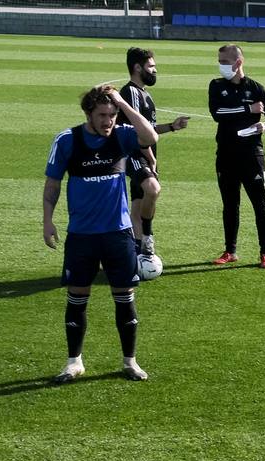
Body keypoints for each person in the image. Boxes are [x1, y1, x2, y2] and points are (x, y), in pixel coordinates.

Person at [43, 84, 158, 383]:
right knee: (77, 297)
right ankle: (74, 362)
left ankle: (130, 362)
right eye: (102, 115)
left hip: (118, 234)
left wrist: (122, 102)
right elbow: (53, 184)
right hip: (82, 235)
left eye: (112, 114)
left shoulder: (121, 136)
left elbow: (150, 137)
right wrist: (48, 221)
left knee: (125, 299)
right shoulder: (67, 140)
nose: (108, 120)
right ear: (88, 114)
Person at [208, 43, 265, 269]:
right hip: (226, 155)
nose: (220, 66)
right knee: (230, 205)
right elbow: (217, 113)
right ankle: (230, 251)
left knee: (261, 205)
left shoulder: (257, 89)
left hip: (252, 156)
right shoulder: (216, 86)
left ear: (238, 62)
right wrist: (247, 110)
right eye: (219, 62)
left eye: (224, 62)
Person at [119, 47, 190, 259]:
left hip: (145, 154)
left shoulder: (145, 95)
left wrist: (172, 127)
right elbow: (137, 132)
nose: (155, 71)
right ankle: (148, 236)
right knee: (153, 189)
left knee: (138, 206)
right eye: (151, 66)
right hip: (134, 154)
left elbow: (149, 129)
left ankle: (137, 251)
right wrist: (150, 158)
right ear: (137, 67)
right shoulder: (130, 92)